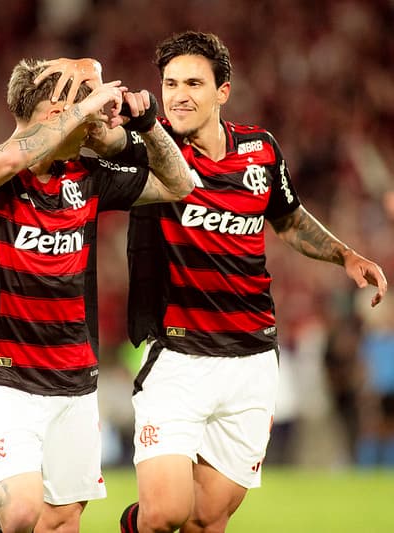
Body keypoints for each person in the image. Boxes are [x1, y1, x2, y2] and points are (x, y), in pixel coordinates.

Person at [40, 33, 388, 533]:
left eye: (194, 83)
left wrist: (344, 255)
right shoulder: (152, 149)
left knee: (207, 520)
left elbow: (288, 219)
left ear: (223, 91)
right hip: (178, 358)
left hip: (251, 363)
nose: (179, 94)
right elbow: (108, 139)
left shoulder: (261, 150)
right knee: (164, 514)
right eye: (170, 83)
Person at [0, 58, 193, 533]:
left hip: (73, 377)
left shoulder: (88, 175)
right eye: (87, 104)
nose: (100, 115)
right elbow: (9, 159)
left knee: (61, 520)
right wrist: (79, 114)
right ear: (53, 111)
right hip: (1, 378)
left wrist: (144, 127)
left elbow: (180, 184)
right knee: (20, 512)